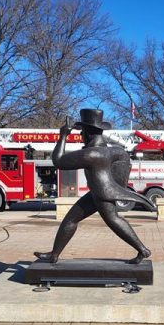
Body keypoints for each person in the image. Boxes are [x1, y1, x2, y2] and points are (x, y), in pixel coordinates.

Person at [34, 109, 155, 264]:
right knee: (71, 220)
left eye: (82, 132)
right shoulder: (111, 151)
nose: (80, 136)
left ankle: (143, 250)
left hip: (102, 193)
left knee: (113, 220)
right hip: (98, 192)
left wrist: (63, 135)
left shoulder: (92, 154)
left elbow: (58, 161)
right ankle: (54, 255)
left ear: (88, 133)